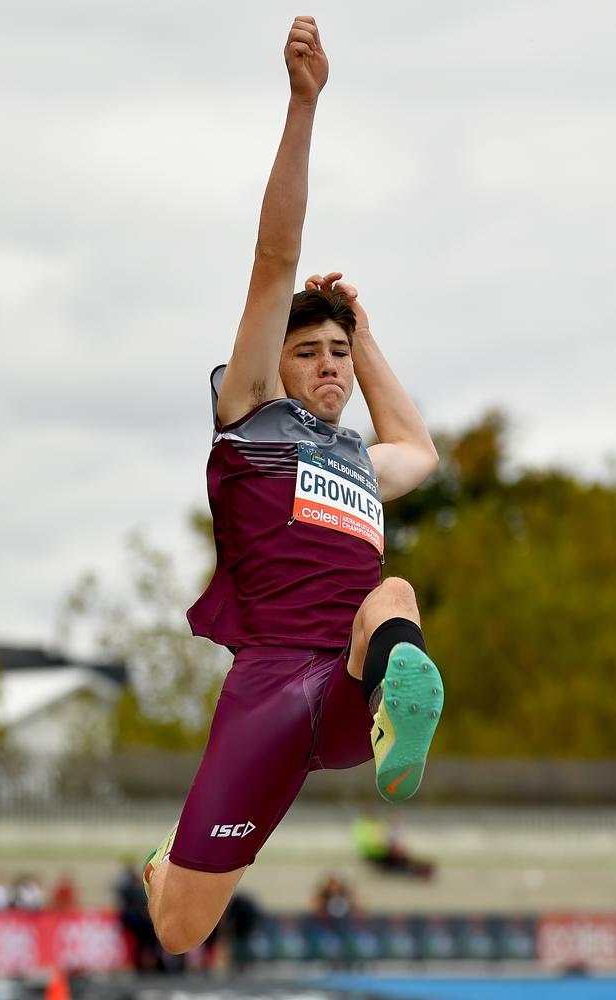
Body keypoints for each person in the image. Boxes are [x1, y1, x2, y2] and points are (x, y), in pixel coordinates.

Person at [143, 15, 444, 955]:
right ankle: (168, 864)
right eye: (307, 351)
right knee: (183, 930)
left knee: (392, 592)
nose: (327, 366)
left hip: (353, 691)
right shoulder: (251, 418)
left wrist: (363, 324)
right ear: (269, 363)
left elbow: (420, 450)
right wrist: (303, 105)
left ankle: (404, 714)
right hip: (270, 695)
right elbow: (275, 262)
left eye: (337, 356)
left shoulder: (359, 457)